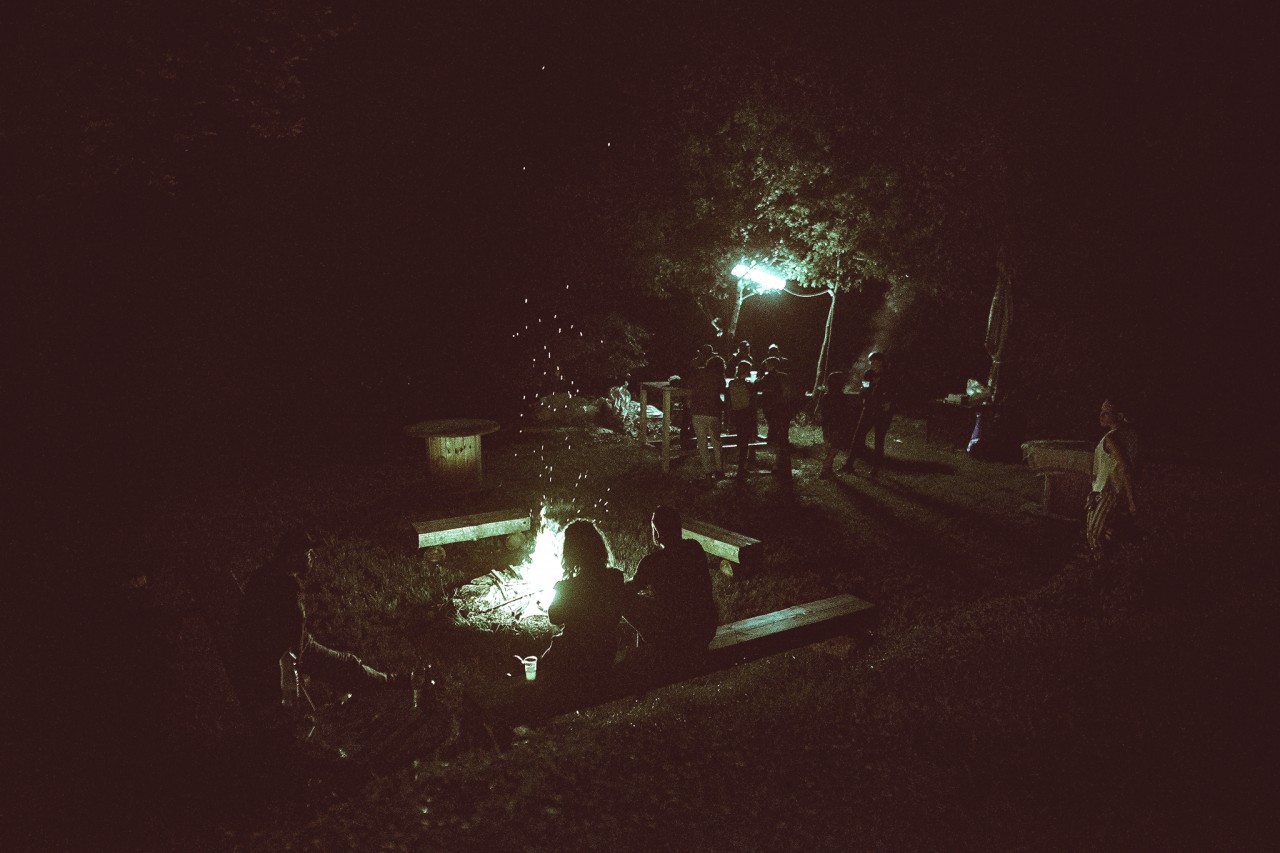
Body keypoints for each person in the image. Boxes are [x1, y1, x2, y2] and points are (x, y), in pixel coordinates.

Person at [230, 529, 417, 754]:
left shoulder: (264, 575)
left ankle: (370, 683)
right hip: (281, 655)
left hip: (271, 650)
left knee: (344, 665)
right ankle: (390, 682)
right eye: (308, 554)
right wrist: (297, 669)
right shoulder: (286, 588)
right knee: (348, 664)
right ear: (292, 557)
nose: (312, 558)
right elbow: (293, 641)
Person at [624, 506, 718, 663]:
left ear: (657, 532)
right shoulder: (694, 548)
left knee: (623, 598)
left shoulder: (652, 563)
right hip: (705, 629)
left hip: (675, 636)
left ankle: (649, 652)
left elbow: (629, 588)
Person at [541, 521, 626, 683]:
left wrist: (561, 590)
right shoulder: (616, 577)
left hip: (574, 653)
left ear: (571, 553)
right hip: (606, 650)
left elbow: (554, 617)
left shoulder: (569, 587)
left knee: (543, 665)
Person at [1085, 398, 1139, 557]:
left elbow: (1125, 468)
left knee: (1095, 538)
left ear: (1120, 416)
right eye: (1101, 412)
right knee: (1111, 536)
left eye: (1106, 413)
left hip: (1108, 493)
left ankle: (1101, 568)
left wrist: (1132, 501)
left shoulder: (1111, 439)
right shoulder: (1131, 435)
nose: (1101, 416)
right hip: (1111, 492)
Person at [840, 351, 893, 479]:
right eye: (871, 362)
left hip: (882, 412)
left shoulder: (889, 375)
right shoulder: (868, 374)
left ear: (880, 362)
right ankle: (849, 464)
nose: (872, 364)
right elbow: (864, 388)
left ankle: (875, 468)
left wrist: (890, 402)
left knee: (879, 439)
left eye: (874, 361)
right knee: (858, 436)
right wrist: (864, 396)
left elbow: (895, 390)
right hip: (868, 409)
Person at [687, 355, 727, 479]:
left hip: (698, 410)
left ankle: (707, 471)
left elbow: (688, 383)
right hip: (713, 412)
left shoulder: (698, 373)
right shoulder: (719, 376)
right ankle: (719, 469)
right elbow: (722, 390)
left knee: (702, 443)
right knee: (716, 442)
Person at [757, 356, 794, 477]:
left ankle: (778, 464)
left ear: (772, 366)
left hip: (774, 409)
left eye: (767, 364)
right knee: (783, 436)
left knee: (778, 436)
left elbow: (759, 386)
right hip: (784, 409)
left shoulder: (769, 377)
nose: (765, 366)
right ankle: (785, 462)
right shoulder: (785, 376)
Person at [819, 371, 857, 478]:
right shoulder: (841, 397)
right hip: (836, 426)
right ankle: (824, 469)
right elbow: (844, 413)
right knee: (834, 448)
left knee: (830, 447)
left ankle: (828, 469)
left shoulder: (826, 396)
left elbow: (824, 412)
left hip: (827, 425)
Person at [727, 360, 758, 477]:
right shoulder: (748, 385)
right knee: (745, 441)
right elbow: (753, 401)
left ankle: (740, 464)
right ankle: (741, 467)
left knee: (740, 439)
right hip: (746, 414)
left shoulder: (732, 383)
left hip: (736, 413)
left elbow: (729, 401)